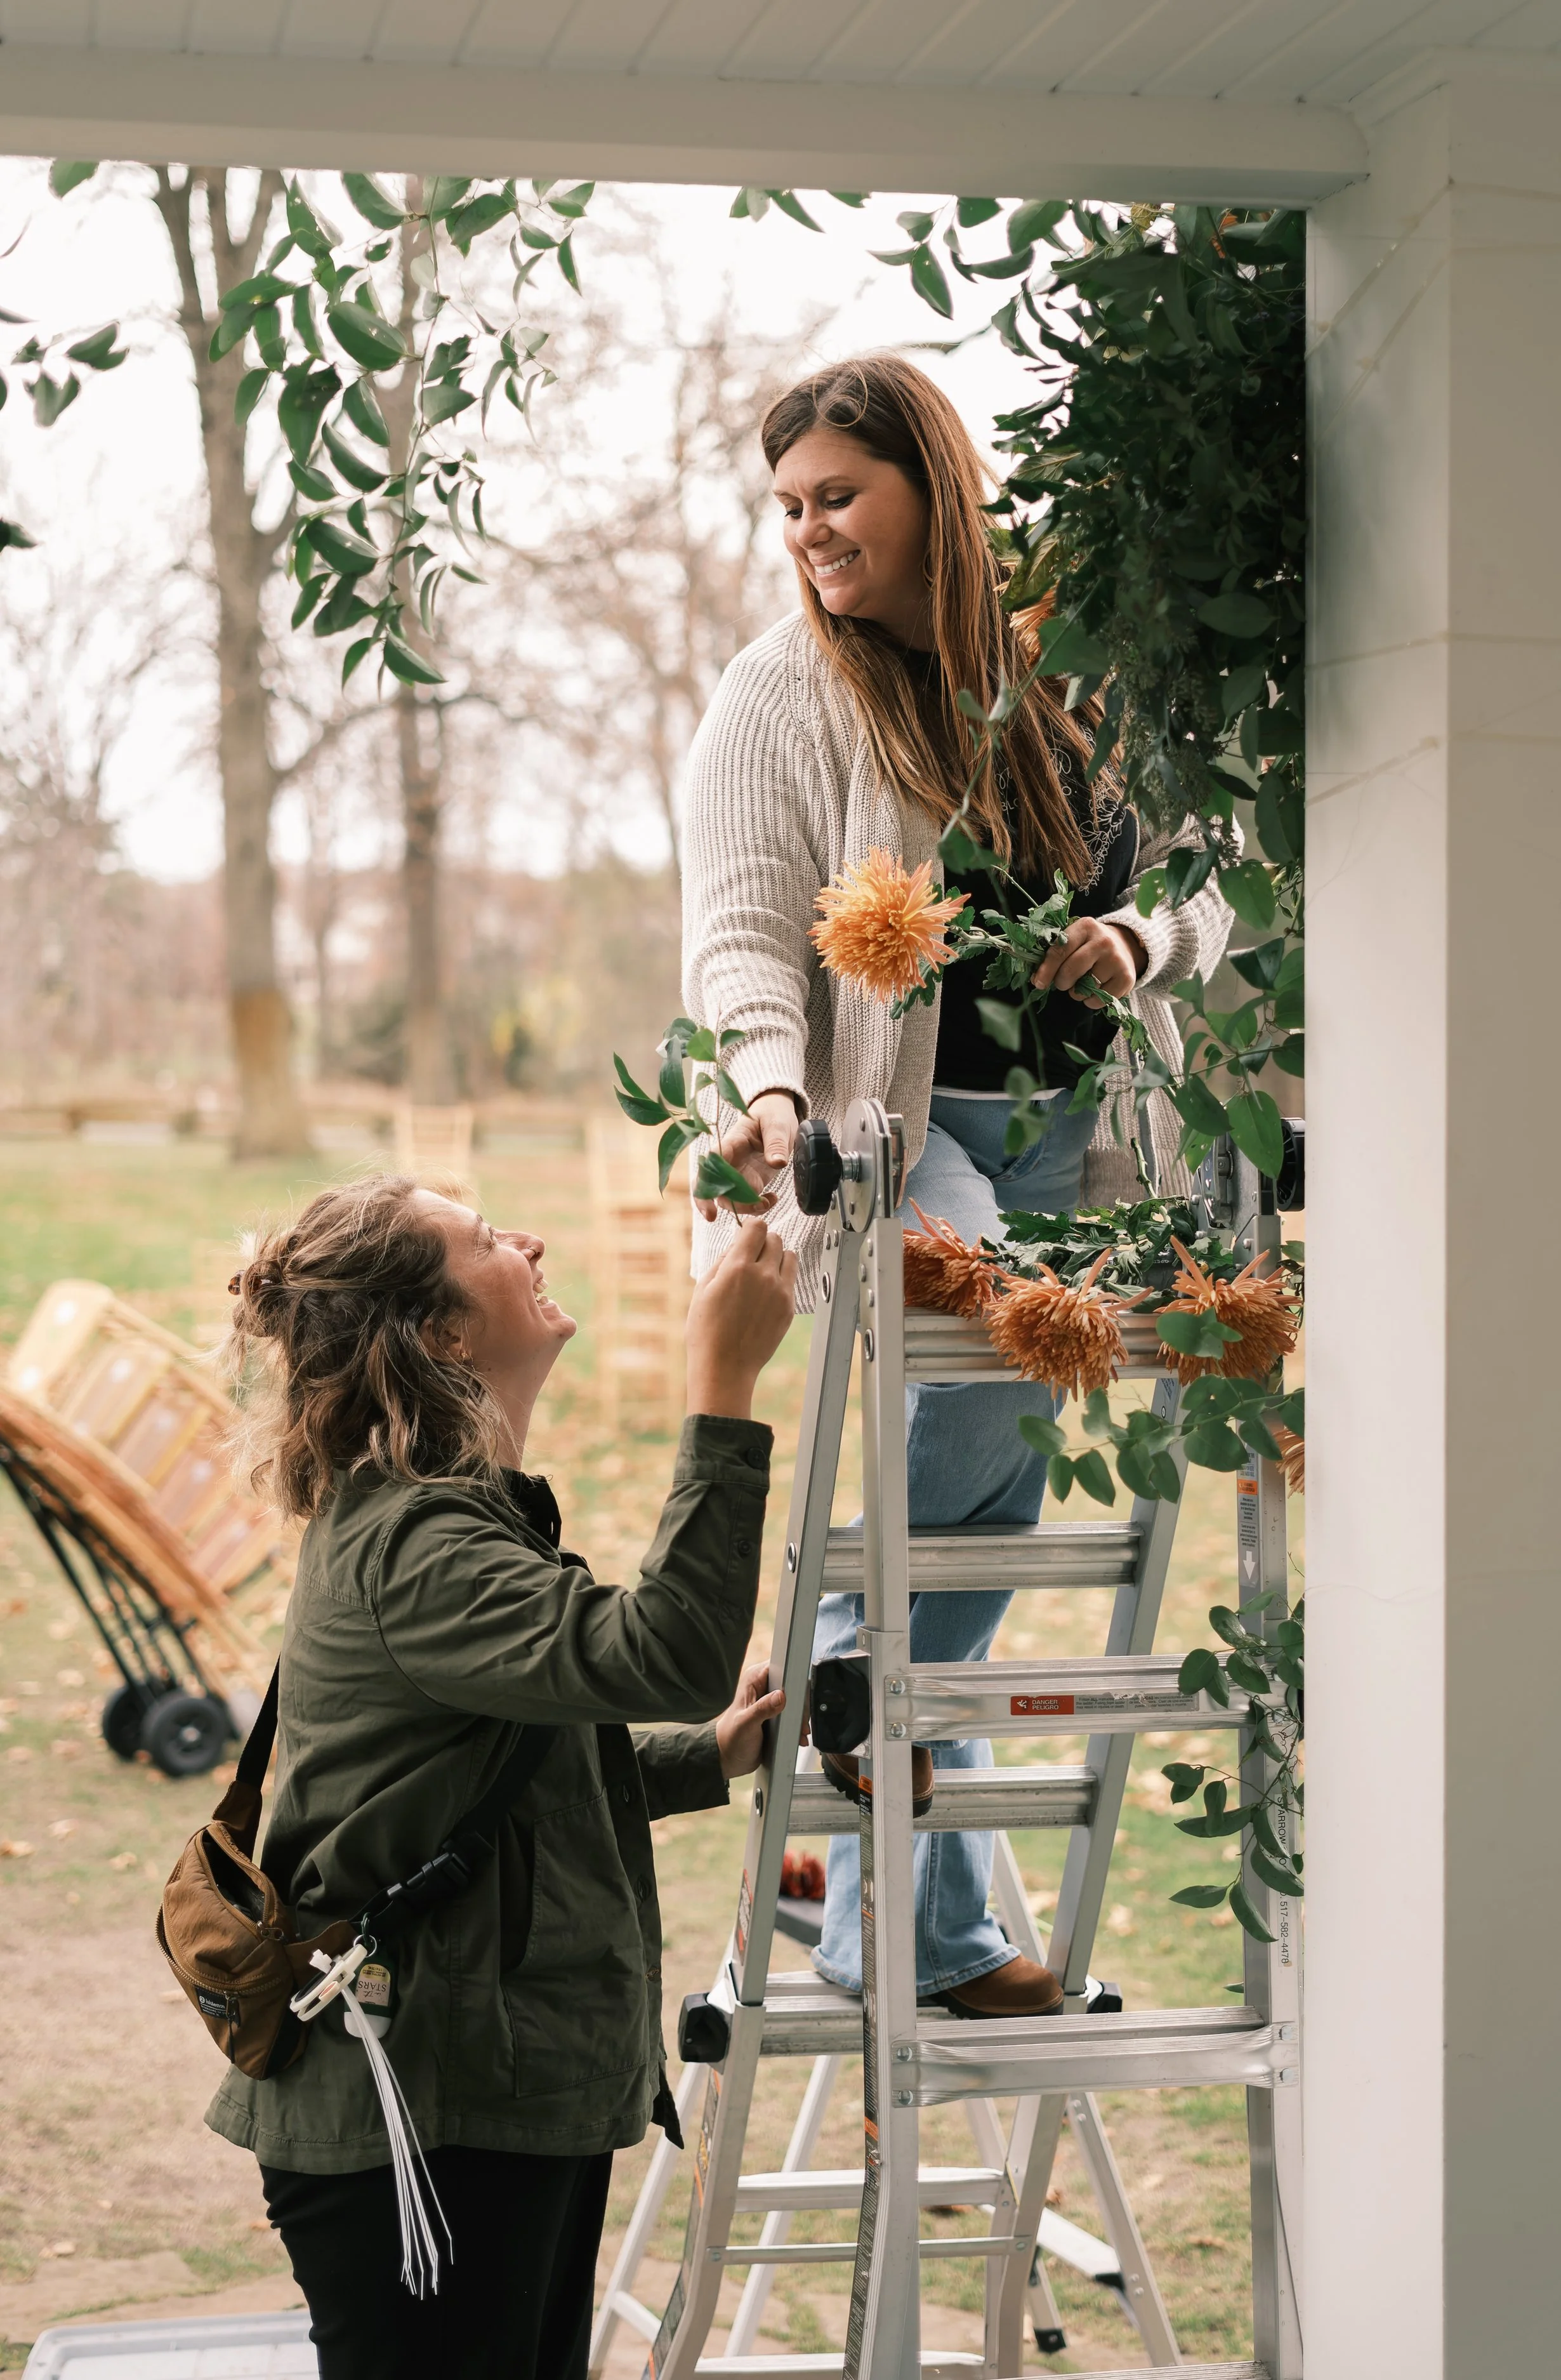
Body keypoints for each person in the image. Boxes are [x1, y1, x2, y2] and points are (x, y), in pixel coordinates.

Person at [681, 355, 1234, 2019]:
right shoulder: (781, 690)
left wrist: (1142, 936)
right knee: (997, 1357)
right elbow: (740, 923)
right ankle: (920, 1930)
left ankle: (821, 1757)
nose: (808, 533)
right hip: (892, 1127)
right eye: (787, 508)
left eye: (835, 496)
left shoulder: (1072, 673)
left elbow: (1222, 867)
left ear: (931, 483)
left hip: (1077, 1133)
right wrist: (770, 1086)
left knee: (971, 1500)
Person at [205, 1173, 796, 2379]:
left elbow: (498, 1774)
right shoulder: (419, 1541)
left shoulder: (448, 1515)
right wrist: (722, 1381)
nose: (525, 1236)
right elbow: (668, 1652)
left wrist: (715, 1751)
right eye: (483, 1239)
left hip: (479, 2094)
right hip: (421, 2124)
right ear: (443, 1335)